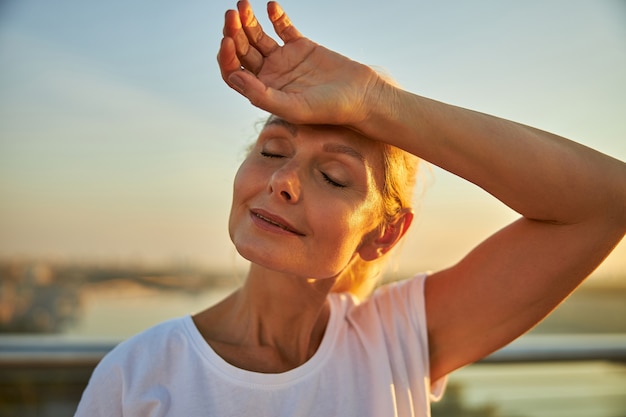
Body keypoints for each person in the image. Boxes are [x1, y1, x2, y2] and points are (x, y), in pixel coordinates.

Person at [75, 1, 626, 416]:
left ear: (383, 234)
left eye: (333, 176)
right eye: (272, 150)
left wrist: (377, 103)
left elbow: (605, 200)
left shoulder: (397, 341)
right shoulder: (136, 375)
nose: (285, 180)